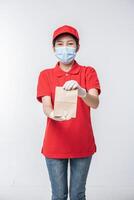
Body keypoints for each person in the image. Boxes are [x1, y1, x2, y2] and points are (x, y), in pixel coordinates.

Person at [36, 25, 101, 200]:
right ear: (54, 48)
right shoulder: (46, 75)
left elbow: (95, 103)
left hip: (82, 143)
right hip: (55, 144)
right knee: (58, 195)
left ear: (77, 47)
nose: (65, 47)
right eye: (60, 43)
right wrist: (51, 114)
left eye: (70, 43)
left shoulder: (88, 72)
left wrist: (82, 92)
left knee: (78, 195)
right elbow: (46, 105)